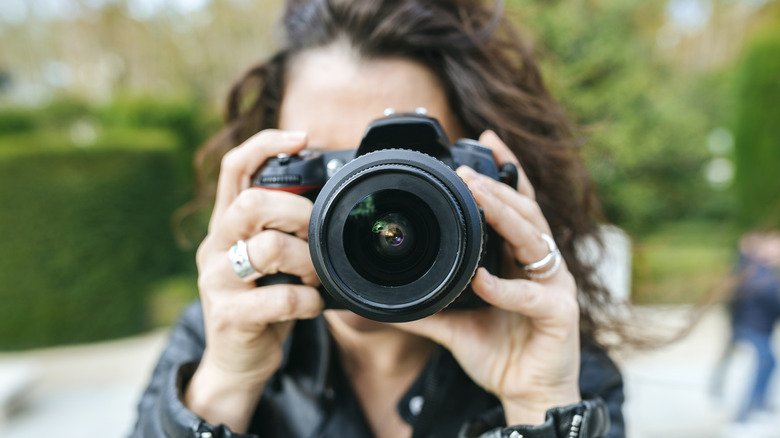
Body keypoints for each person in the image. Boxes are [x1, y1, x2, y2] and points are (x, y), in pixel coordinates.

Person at [131, 1, 628, 437]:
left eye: (405, 165)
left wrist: (537, 404)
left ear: (480, 184)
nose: (361, 200)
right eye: (329, 167)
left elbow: (548, 393)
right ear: (270, 177)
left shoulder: (557, 357)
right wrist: (224, 387)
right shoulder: (218, 336)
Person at [711, 230, 780, 423]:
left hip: (750, 325)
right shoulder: (759, 271)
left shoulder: (754, 268)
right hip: (753, 327)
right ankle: (747, 409)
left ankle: (756, 403)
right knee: (762, 361)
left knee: (767, 361)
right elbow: (771, 298)